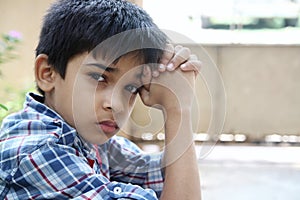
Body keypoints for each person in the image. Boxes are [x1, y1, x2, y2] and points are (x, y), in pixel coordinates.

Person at [0, 0, 201, 199]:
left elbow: (164, 174)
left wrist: (174, 83)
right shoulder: (39, 151)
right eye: (99, 78)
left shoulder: (89, 138)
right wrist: (178, 110)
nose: (116, 105)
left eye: (131, 87)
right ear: (47, 73)